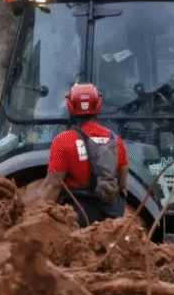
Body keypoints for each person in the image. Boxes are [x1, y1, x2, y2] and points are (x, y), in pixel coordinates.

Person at [41, 82, 130, 227]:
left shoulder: (63, 140)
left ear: (69, 105)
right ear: (98, 105)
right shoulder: (116, 140)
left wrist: (41, 218)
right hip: (110, 217)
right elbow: (123, 186)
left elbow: (53, 186)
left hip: (77, 216)